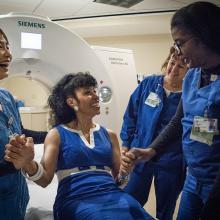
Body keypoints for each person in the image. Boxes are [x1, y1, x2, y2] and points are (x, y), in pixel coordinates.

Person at [5, 72, 154, 220]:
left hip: (113, 194)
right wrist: (28, 163)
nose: (96, 96)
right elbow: (45, 180)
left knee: (137, 212)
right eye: (88, 93)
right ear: (72, 102)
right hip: (76, 198)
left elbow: (119, 182)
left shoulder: (109, 135)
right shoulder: (57, 134)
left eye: (95, 91)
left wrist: (126, 171)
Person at [121, 2, 220, 220]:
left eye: (180, 43)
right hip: (194, 177)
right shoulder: (193, 75)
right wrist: (150, 150)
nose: (177, 52)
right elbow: (178, 121)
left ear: (204, 36)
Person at [120, 46, 188, 220]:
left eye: (181, 67)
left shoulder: (188, 95)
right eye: (172, 63)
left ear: (190, 71)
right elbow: (131, 115)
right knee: (130, 200)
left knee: (166, 208)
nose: (174, 69)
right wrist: (126, 144)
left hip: (171, 159)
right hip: (139, 153)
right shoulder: (150, 84)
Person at [0, 28, 47, 219]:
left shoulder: (6, 97)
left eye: (7, 46)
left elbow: (20, 132)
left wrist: (53, 134)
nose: (9, 54)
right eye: (0, 47)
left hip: (16, 197)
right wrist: (20, 163)